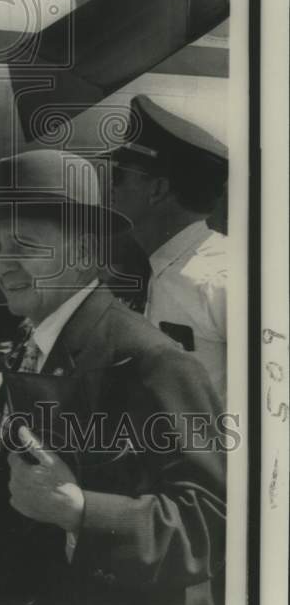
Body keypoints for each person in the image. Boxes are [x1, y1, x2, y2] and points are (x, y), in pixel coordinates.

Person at [0, 149, 226, 605]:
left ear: (85, 251)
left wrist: (80, 512)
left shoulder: (149, 360)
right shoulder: (40, 338)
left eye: (25, 246)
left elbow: (210, 524)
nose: (4, 266)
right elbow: (22, 444)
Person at [108, 95, 228, 397]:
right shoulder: (167, 268)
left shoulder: (218, 280)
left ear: (157, 190)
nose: (110, 187)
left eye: (118, 175)